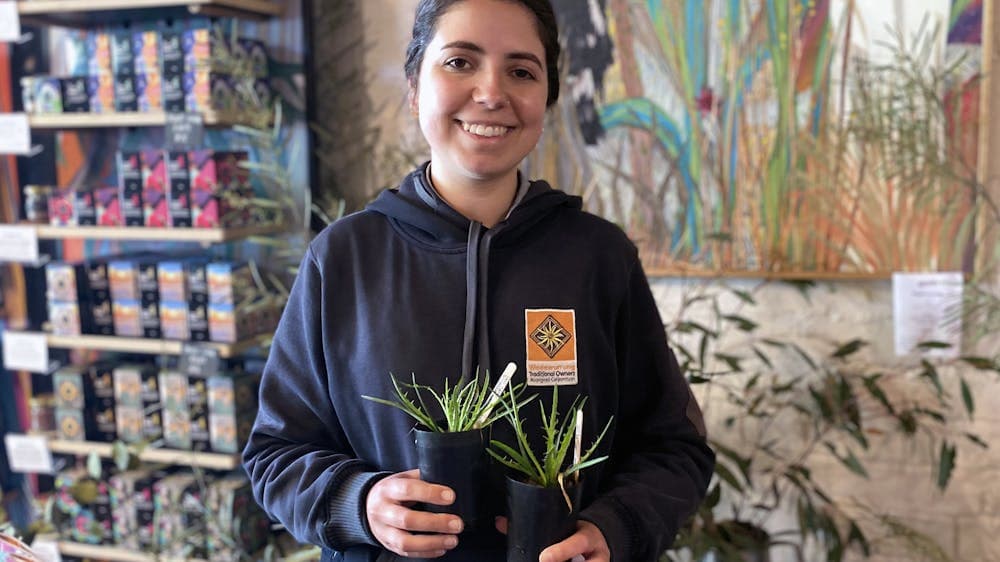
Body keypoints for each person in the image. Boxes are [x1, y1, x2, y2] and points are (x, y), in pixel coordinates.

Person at [242, 0, 715, 560]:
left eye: (521, 71)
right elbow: (276, 455)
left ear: (547, 96)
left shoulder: (598, 256)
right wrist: (359, 502)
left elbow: (674, 447)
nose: (492, 92)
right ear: (415, 84)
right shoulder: (344, 257)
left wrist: (612, 531)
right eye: (460, 62)